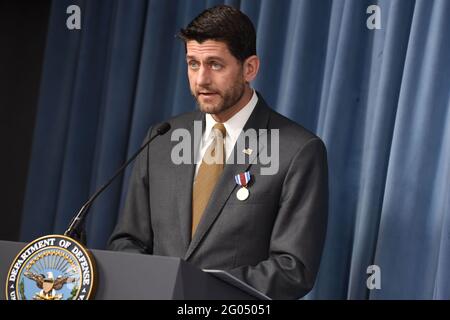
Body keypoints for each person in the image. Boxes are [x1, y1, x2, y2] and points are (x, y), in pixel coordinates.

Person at [108, 5, 328, 300]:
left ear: (249, 68)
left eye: (215, 64)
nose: (201, 80)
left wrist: (194, 291)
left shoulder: (297, 150)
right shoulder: (163, 138)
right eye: (193, 64)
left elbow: (292, 269)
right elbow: (128, 241)